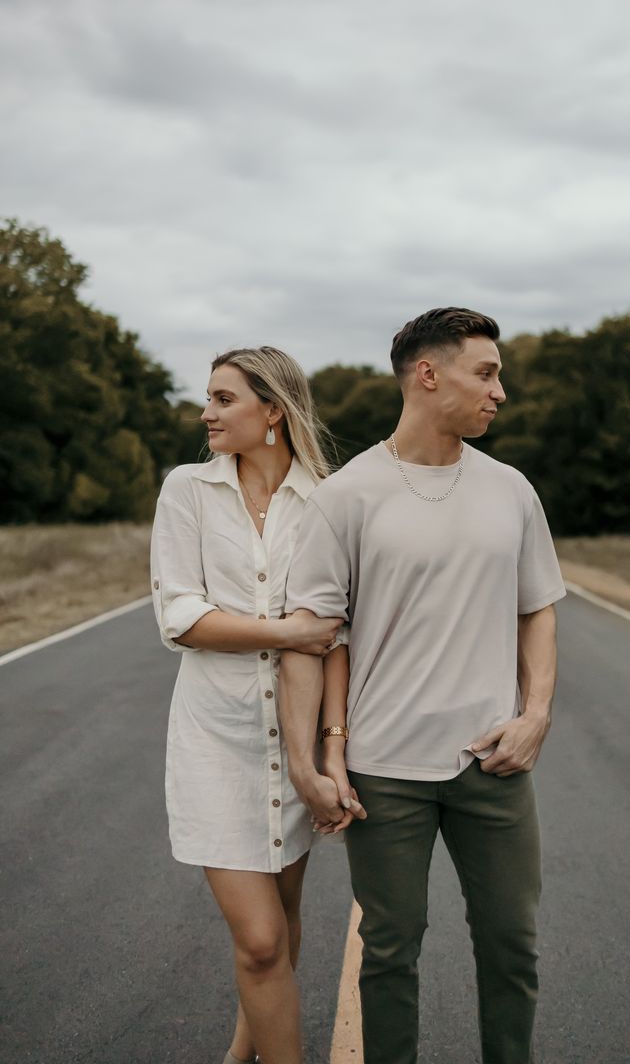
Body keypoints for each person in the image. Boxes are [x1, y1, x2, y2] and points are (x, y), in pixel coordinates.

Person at [278, 307, 567, 1064]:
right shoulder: (347, 496)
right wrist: (312, 763)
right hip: (385, 773)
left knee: (513, 949)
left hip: (494, 765)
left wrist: (534, 714)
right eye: (487, 372)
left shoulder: (512, 490)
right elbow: (312, 639)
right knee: (390, 953)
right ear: (427, 375)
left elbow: (537, 608)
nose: (500, 391)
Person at [150, 346, 360, 1064]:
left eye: (222, 399)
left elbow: (335, 636)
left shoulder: (327, 500)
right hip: (216, 739)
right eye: (206, 398)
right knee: (262, 940)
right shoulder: (186, 490)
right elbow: (181, 615)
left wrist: (329, 751)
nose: (205, 412)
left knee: (282, 922)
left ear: (273, 411)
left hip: (294, 742)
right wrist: (286, 631)